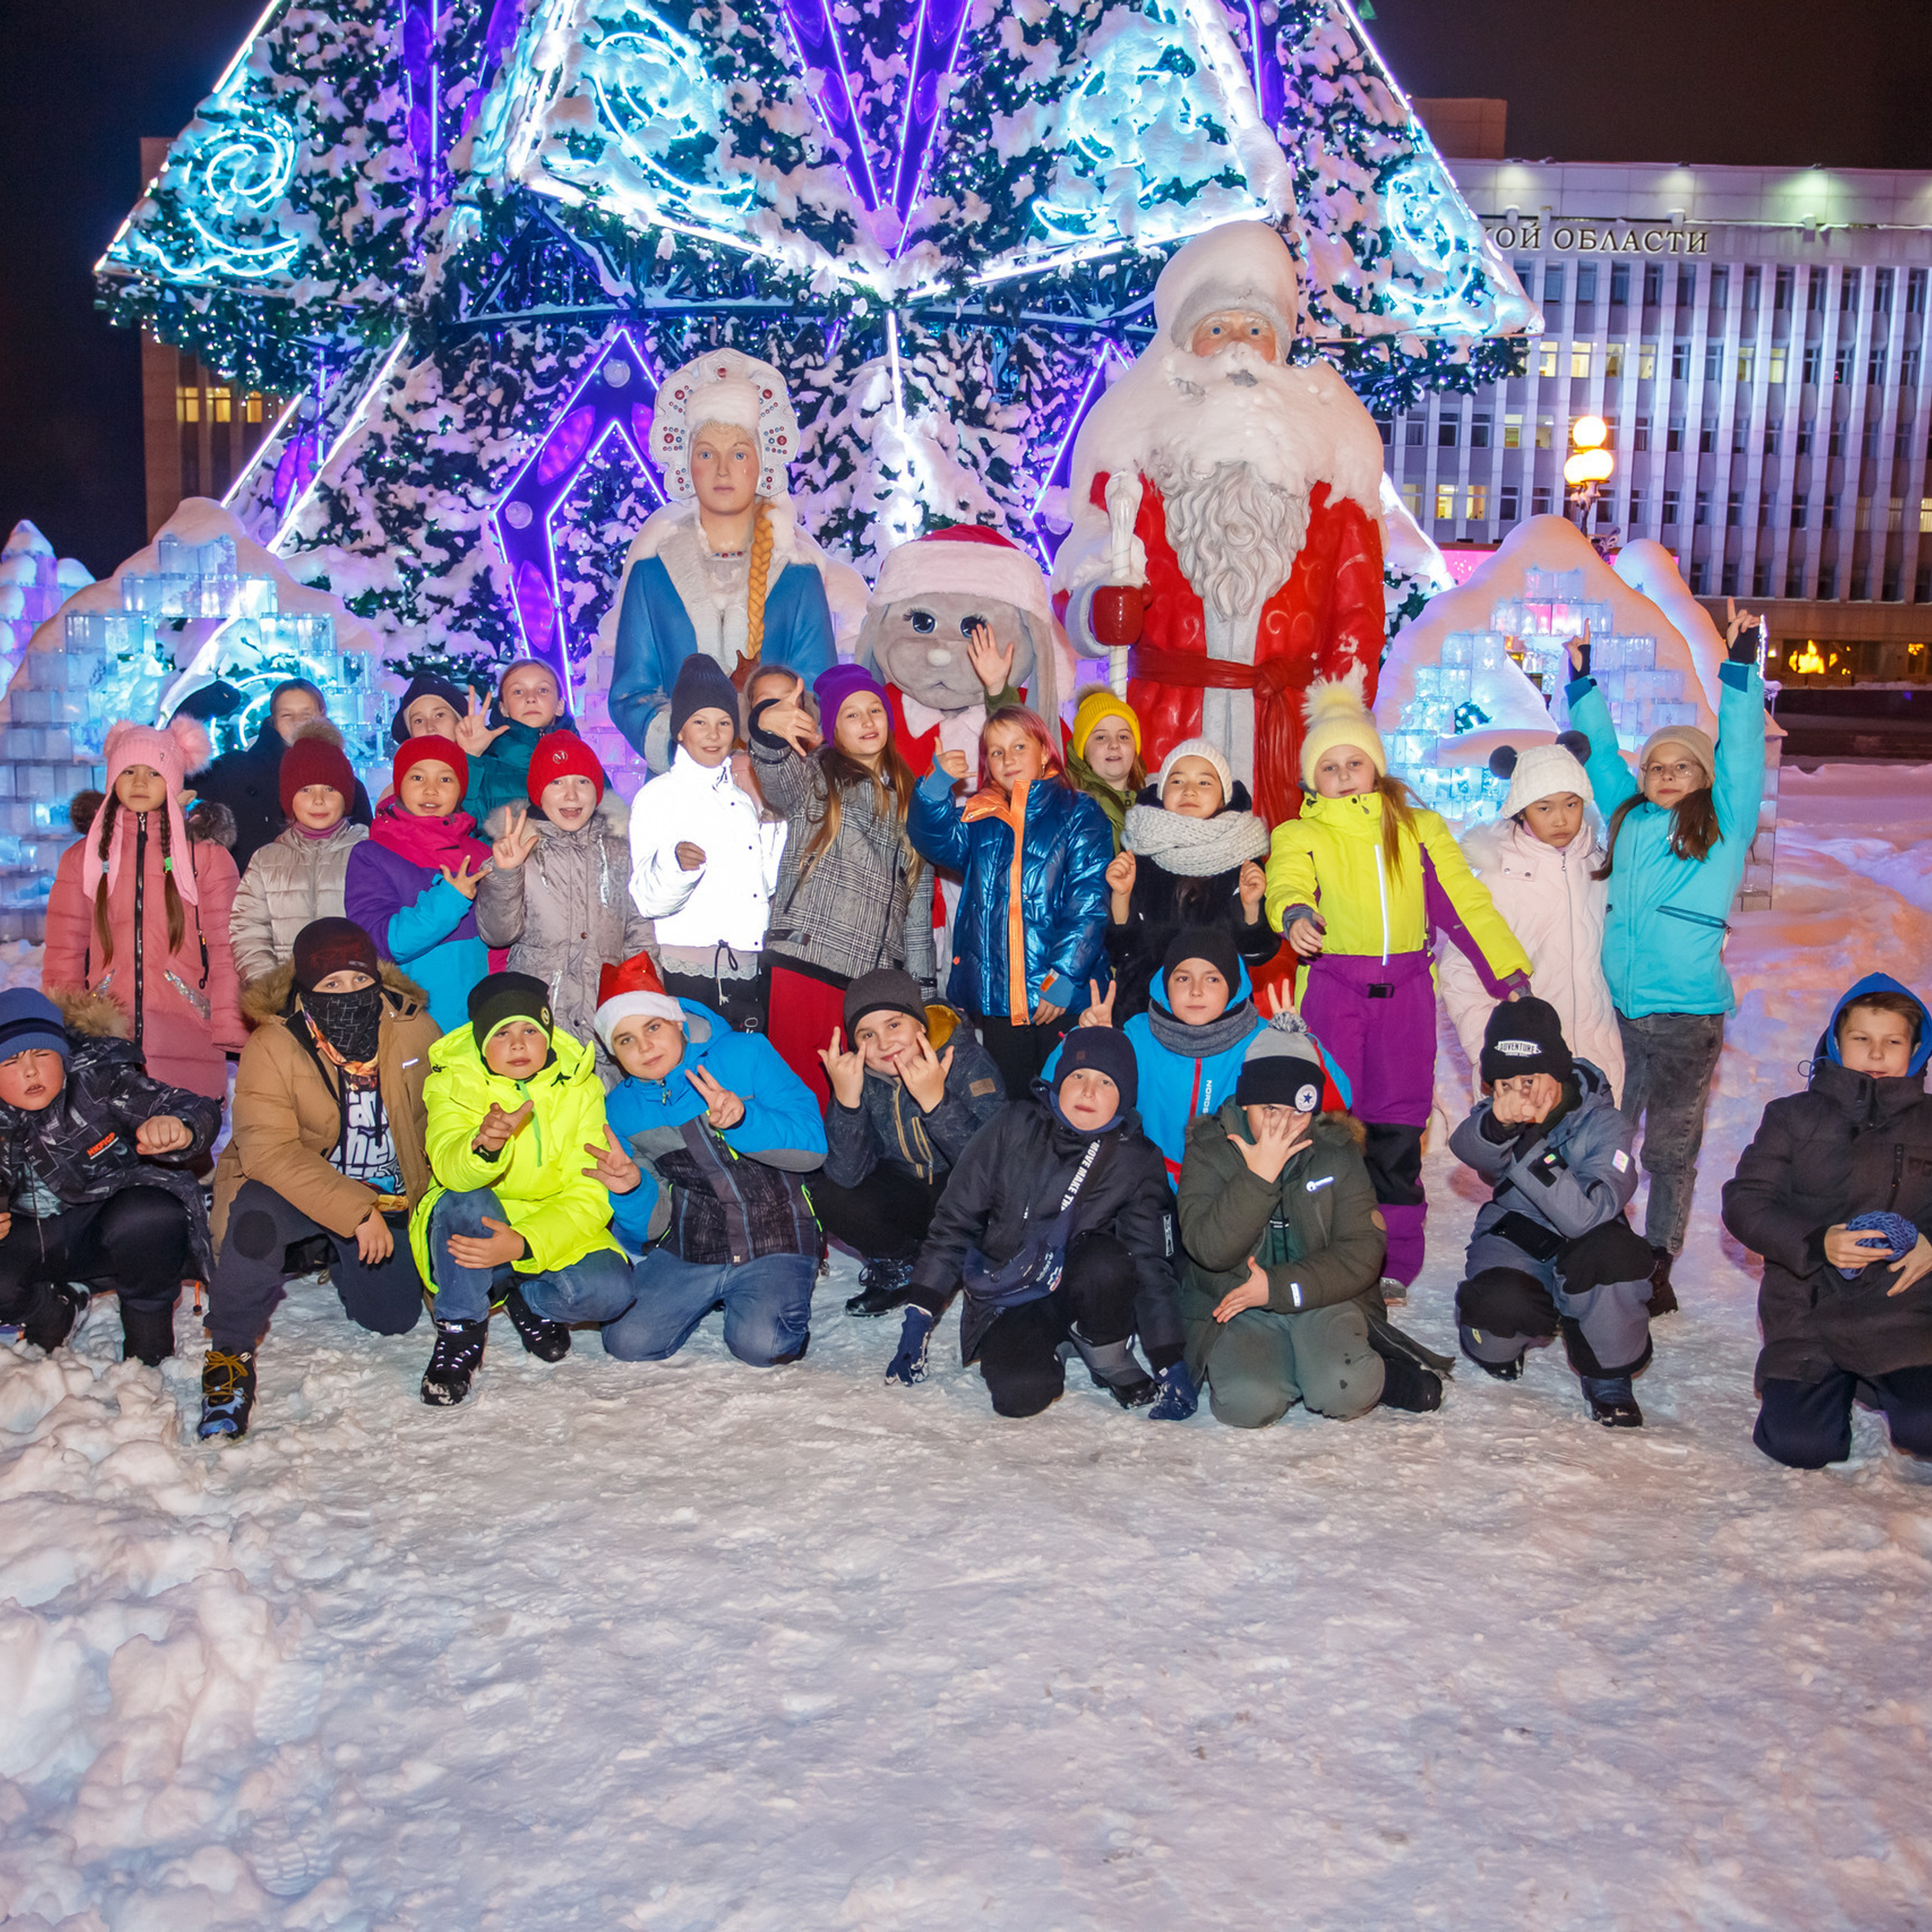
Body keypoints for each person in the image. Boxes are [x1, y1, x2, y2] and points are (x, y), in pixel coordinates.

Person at [1052, 221, 1386, 822]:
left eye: (1256, 329)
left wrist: (1341, 727)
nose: (1237, 345)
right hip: (1163, 729)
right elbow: (1079, 570)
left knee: (1277, 887)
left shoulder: (1331, 476)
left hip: (1281, 734)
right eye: (1216, 328)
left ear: (1278, 344)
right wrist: (1097, 608)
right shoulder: (1136, 460)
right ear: (1185, 345)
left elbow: (1356, 617)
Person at [1265, 670, 1531, 1294]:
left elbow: (1463, 902)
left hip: (1406, 999)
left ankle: (1394, 1261)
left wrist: (1507, 972)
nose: (1343, 774)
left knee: (1397, 1131)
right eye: (1328, 766)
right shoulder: (1300, 833)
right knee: (1327, 1128)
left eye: (1355, 760)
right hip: (1333, 991)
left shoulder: (1416, 829)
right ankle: (1320, 1248)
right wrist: (1296, 914)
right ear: (1311, 779)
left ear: (1376, 766)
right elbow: (1287, 882)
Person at [1564, 617, 1767, 1315]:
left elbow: (1743, 751)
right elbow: (1601, 763)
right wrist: (1583, 683)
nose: (1666, 775)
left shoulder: (1723, 823)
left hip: (1687, 1020)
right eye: (1656, 766)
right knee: (1605, 1135)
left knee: (1670, 1151)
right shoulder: (1629, 818)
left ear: (1704, 777)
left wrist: (1740, 670)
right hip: (1619, 1014)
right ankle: (1604, 1239)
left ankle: (1657, 1262)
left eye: (1683, 765)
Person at [198, 919, 438, 1438]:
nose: (349, 993)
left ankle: (335, 1254)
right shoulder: (274, 1045)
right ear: (307, 989)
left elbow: (439, 1118)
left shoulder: (415, 1028)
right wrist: (355, 1211)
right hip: (297, 1186)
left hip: (388, 1193)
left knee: (392, 1318)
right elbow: (268, 1149)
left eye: (358, 980)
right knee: (256, 1217)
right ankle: (229, 1354)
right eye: (331, 984)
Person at [884, 1027, 1195, 1420]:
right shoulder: (1012, 1125)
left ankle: (1107, 1354)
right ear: (1058, 1081)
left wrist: (1170, 1361)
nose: (1087, 1092)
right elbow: (955, 1222)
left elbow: (1151, 1264)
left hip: (1086, 1286)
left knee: (1109, 1261)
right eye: (1078, 1077)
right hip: (1009, 1291)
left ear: (1124, 1097)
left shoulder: (1136, 1160)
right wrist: (919, 1316)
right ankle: (1053, 1344)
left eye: (1105, 1082)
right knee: (1020, 1395)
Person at [1176, 1012, 1444, 1426]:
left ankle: (1372, 1374)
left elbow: (1361, 1253)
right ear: (1246, 1100)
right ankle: (1294, 1365)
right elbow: (1208, 1250)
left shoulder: (1335, 1151)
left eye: (1297, 1113)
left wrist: (1277, 1289)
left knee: (1344, 1388)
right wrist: (1257, 1177)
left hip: (1323, 1296)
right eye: (1268, 1109)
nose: (1283, 1126)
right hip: (1237, 1302)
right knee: (1246, 1404)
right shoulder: (1209, 1149)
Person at [1723, 977, 1932, 1469]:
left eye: (1893, 1042)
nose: (1876, 1054)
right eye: (1862, 1039)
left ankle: (1888, 1384)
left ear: (1917, 1050)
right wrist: (1819, 1243)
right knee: (1802, 1446)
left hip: (1904, 1307)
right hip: (1808, 1305)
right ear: (1837, 1044)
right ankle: (1823, 1391)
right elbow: (1745, 1201)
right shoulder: (1792, 1117)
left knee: (1927, 1428)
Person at [410, 973, 636, 1406]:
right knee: (464, 1200)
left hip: (543, 1223)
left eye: (531, 1029)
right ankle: (460, 1334)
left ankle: (528, 1300)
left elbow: (588, 1192)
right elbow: (450, 1167)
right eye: (502, 1033)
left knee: (613, 1290)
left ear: (548, 1032)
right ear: (480, 1042)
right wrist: (484, 1146)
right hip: (480, 1216)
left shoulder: (579, 1084)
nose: (518, 1044)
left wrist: (525, 1244)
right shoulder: (451, 1079)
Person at [592, 952, 827, 1367]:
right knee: (626, 1341)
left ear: (677, 1021)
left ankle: (760, 1298)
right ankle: (721, 1291)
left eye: (653, 1027)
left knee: (761, 1345)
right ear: (614, 1054)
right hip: (693, 1244)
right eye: (626, 1040)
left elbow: (812, 1148)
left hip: (775, 1235)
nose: (645, 1047)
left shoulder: (745, 1053)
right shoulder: (620, 1110)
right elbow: (652, 1224)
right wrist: (631, 1190)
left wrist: (743, 1121)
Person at [608, 349, 839, 769]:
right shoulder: (652, 574)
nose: (721, 471)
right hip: (678, 788)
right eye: (706, 453)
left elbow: (821, 688)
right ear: (686, 463)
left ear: (761, 463)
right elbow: (630, 693)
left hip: (775, 785)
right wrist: (685, 745)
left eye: (737, 454)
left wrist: (771, 731)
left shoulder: (797, 577)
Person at [1450, 998, 1654, 1428]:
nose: (1516, 1093)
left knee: (1615, 1256)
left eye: (1528, 1078)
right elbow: (1466, 1144)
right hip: (1516, 1238)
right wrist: (1497, 1128)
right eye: (1502, 1083)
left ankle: (1608, 1374)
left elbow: (1585, 1214)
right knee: (1493, 1315)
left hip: (1588, 1245)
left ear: (1557, 1071)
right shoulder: (1501, 1115)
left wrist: (1528, 1151)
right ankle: (1519, 1330)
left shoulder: (1607, 1125)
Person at [0, 986, 221, 1365]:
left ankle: (148, 1346)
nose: (31, 1071)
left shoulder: (101, 1082)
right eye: (11, 1063)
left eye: (42, 1054)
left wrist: (180, 1125)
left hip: (110, 1231)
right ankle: (53, 1310)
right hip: (34, 1239)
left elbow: (188, 1105)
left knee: (150, 1215)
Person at [749, 662, 937, 1105]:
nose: (868, 721)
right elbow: (777, 778)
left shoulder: (914, 798)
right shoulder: (814, 774)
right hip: (807, 966)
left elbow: (917, 911)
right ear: (832, 725)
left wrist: (925, 998)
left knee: (858, 1113)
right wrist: (767, 731)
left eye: (875, 709)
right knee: (799, 1101)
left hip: (873, 989)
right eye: (852, 714)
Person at [906, 706, 1112, 1097]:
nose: (1008, 758)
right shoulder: (981, 815)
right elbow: (935, 842)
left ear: (1045, 752)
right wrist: (935, 789)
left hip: (1061, 995)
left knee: (1066, 1101)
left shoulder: (1079, 811)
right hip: (999, 996)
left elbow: (1089, 899)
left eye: (1019, 746)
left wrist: (1066, 974)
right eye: (996, 752)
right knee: (1012, 1107)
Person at [44, 717, 247, 1099]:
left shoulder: (204, 856)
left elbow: (227, 946)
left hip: (187, 1027)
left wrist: (229, 1019)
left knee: (185, 1141)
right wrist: (66, 1023)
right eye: (129, 771)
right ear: (112, 780)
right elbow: (63, 950)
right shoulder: (83, 859)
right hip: (105, 1033)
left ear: (173, 781)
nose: (140, 783)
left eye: (154, 772)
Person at [1060, 928, 1346, 1183]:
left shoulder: (1265, 1039)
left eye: (1212, 980)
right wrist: (1088, 1042)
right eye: (1183, 978)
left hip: (1234, 1185)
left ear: (1233, 987)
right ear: (1166, 986)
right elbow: (1056, 1090)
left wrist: (1300, 1046)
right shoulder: (1138, 1035)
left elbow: (1341, 1100)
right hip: (1145, 1184)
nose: (1196, 991)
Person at [1439, 731, 1623, 1103]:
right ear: (1521, 809)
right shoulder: (1496, 878)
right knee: (1523, 1160)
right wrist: (1492, 1051)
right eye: (1544, 807)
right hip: (1521, 1062)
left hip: (1597, 1052)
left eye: (1571, 804)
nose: (1561, 819)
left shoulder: (1598, 865)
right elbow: (1460, 973)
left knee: (1593, 1158)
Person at [813, 966, 1006, 1318]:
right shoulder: (863, 1076)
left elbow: (995, 1167)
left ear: (921, 1024)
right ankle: (901, 1265)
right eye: (866, 1034)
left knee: (1000, 1218)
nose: (884, 1044)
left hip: (962, 1198)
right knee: (825, 1191)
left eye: (894, 1025)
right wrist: (847, 1102)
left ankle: (966, 1267)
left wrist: (937, 1103)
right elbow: (845, 1175)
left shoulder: (964, 1060)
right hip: (907, 1193)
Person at [475, 730, 654, 1063]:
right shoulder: (514, 849)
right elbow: (498, 934)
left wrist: (643, 1005)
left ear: (597, 791)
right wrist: (505, 874)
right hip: (539, 1017)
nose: (571, 795)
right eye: (557, 783)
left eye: (583, 782)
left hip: (606, 1018)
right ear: (538, 791)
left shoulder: (620, 849)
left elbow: (639, 932)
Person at [629, 654, 786, 1032]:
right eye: (699, 722)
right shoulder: (658, 795)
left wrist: (771, 822)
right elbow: (646, 898)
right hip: (690, 967)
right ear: (679, 731)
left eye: (723, 722)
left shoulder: (743, 798)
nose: (713, 734)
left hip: (747, 964)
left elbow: (766, 886)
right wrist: (674, 866)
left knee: (740, 1077)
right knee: (695, 1071)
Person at [1103, 737, 1274, 1023]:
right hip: (1144, 1011)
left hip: (1220, 1014)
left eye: (1204, 783)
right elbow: (1120, 950)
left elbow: (1257, 952)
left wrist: (1252, 905)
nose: (1190, 791)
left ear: (1223, 796)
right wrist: (1120, 896)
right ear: (1162, 793)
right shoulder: (1139, 852)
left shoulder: (1242, 854)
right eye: (1177, 781)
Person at [343, 736, 494, 1035]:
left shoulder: (481, 855)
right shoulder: (373, 855)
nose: (431, 789)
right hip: (409, 1025)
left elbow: (500, 949)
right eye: (417, 776)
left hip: (479, 1025)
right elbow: (382, 943)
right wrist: (449, 900)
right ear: (399, 785)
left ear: (460, 790)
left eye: (445, 778)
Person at [229, 721, 370, 988]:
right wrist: (272, 988)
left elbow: (382, 925)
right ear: (288, 797)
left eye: (330, 789)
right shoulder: (266, 860)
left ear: (347, 796)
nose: (318, 800)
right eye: (305, 789)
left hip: (356, 991)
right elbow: (248, 931)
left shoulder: (367, 851)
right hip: (290, 997)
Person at [193, 678, 373, 873]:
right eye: (287, 715)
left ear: (322, 715)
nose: (297, 722)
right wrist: (205, 704)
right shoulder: (235, 769)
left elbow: (367, 857)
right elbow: (171, 770)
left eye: (307, 714)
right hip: (248, 893)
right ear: (273, 720)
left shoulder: (346, 784)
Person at [451, 659, 570, 828]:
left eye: (542, 690)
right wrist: (470, 759)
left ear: (559, 706)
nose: (531, 698)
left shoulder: (583, 760)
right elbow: (460, 827)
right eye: (518, 692)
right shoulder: (485, 765)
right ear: (503, 708)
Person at [1064, 685, 1146, 852]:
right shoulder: (1069, 807)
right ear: (1083, 751)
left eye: (1123, 737)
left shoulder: (1155, 803)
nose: (1114, 745)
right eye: (1101, 737)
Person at [390, 673, 467, 746]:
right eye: (419, 721)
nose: (430, 728)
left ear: (458, 720)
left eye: (439, 715)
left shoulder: (474, 757)